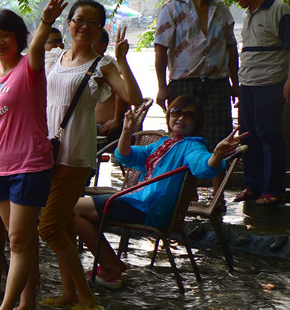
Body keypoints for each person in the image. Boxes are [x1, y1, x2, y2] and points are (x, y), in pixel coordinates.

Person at [38, 0, 142, 310]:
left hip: (76, 154)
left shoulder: (102, 64)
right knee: (65, 225)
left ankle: (86, 297)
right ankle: (69, 292)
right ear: (68, 23)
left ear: (100, 28)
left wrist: (122, 60)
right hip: (47, 152)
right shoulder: (55, 57)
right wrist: (45, 21)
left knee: (49, 228)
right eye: (79, 20)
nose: (84, 26)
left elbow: (133, 97)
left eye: (92, 22)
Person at [75, 95, 246, 286]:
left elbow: (204, 165)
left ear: (197, 122)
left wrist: (217, 154)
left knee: (71, 210)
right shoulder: (163, 143)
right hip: (137, 202)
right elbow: (126, 156)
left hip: (149, 208)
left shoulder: (192, 146)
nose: (181, 118)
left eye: (189, 115)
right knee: (73, 212)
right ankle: (110, 265)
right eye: (176, 112)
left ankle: (109, 266)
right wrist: (126, 131)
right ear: (169, 115)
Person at [0, 0, 63, 310]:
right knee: (22, 240)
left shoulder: (30, 67)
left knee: (16, 240)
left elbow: (39, 45)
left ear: (18, 38)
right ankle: (27, 302)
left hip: (30, 164)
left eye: (6, 35)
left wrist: (46, 21)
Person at [154, 0, 239, 197]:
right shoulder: (172, 8)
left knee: (219, 136)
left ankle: (217, 195)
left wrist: (235, 84)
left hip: (216, 82)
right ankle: (183, 193)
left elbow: (231, 48)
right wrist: (162, 87)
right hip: (184, 82)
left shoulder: (221, 10)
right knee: (182, 137)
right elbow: (161, 49)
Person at [231, 0, 290, 206]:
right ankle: (253, 186)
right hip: (248, 84)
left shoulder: (280, 10)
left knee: (269, 133)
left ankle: (273, 189)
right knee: (248, 135)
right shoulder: (248, 15)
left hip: (271, 82)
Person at [93, 29, 128, 143]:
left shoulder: (107, 65)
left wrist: (116, 120)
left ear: (103, 45)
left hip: (106, 128)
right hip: (92, 125)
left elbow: (123, 93)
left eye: (91, 40)